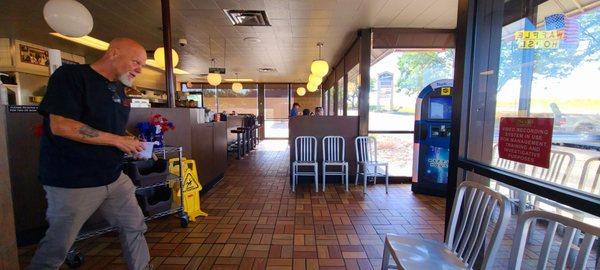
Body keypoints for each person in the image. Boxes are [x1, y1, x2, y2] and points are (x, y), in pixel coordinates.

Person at [29, 38, 151, 270]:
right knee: (57, 247)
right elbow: (61, 125)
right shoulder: (71, 76)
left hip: (114, 177)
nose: (139, 69)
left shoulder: (119, 88)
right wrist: (117, 140)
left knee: (135, 226)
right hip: (73, 181)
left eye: (142, 65)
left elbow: (111, 129)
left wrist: (132, 142)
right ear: (114, 53)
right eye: (136, 62)